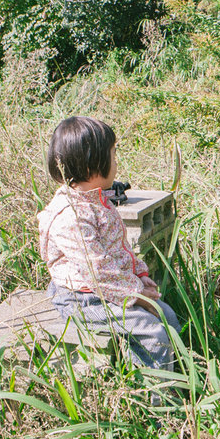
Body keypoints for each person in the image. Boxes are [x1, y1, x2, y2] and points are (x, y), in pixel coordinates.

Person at [37, 115, 181, 374]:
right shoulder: (71, 215)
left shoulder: (96, 200)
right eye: (113, 156)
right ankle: (159, 398)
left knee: (166, 314)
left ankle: (184, 374)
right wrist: (135, 293)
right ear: (92, 165)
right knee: (151, 331)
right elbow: (97, 271)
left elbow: (118, 248)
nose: (116, 163)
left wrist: (139, 274)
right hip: (82, 297)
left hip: (110, 287)